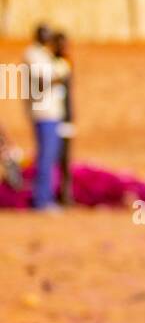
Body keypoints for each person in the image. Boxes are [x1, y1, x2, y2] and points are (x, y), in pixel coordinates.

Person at [21, 23, 69, 210]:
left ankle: (47, 197)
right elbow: (41, 82)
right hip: (43, 113)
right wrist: (60, 76)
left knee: (50, 157)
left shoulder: (44, 55)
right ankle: (42, 200)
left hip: (51, 112)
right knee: (46, 157)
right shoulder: (33, 55)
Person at [52, 31, 75, 205]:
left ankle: (65, 195)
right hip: (54, 116)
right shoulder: (51, 63)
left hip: (65, 116)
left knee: (66, 158)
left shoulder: (65, 63)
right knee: (54, 156)